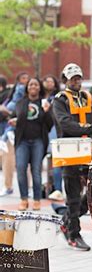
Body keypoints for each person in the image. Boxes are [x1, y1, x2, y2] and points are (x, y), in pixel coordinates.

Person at [52, 63, 92, 251]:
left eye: (78, 78)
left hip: (88, 149)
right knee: (73, 194)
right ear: (65, 80)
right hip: (70, 150)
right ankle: (73, 234)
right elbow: (65, 124)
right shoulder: (60, 100)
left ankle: (67, 222)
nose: (76, 81)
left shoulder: (86, 97)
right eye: (72, 78)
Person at [10, 77, 53, 211]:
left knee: (36, 171)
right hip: (22, 141)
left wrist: (47, 112)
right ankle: (23, 199)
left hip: (38, 141)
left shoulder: (44, 103)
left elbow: (50, 125)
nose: (33, 86)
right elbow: (14, 117)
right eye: (30, 85)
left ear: (39, 87)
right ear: (27, 88)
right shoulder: (21, 103)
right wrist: (13, 122)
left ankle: (36, 199)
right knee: (21, 169)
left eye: (35, 84)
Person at [42, 75, 64, 201]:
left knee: (56, 161)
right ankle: (50, 188)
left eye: (51, 81)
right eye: (46, 80)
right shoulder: (39, 97)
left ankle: (58, 189)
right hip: (42, 132)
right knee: (49, 162)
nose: (48, 83)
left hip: (54, 132)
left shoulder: (58, 98)